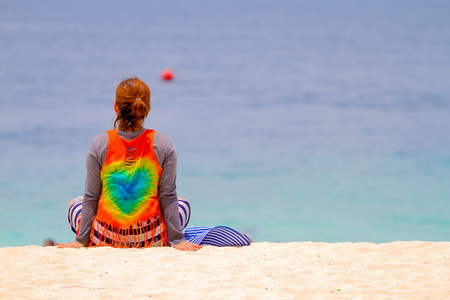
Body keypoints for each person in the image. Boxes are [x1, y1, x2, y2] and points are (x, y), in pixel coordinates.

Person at [57, 77, 201, 251]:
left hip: (106, 236)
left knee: (76, 203)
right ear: (147, 108)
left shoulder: (100, 143)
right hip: (150, 236)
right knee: (182, 203)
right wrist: (177, 239)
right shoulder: (163, 143)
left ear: (116, 106)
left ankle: (88, 238)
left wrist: (81, 240)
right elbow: (167, 195)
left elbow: (92, 196)